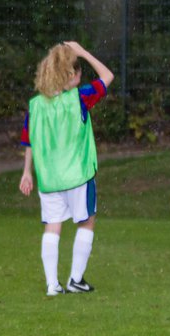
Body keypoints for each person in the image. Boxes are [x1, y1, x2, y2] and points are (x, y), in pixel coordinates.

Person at [19, 41, 113, 296]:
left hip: (49, 178)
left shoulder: (35, 106)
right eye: (79, 73)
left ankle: (52, 285)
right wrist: (82, 52)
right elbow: (108, 76)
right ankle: (75, 279)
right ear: (71, 75)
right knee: (87, 222)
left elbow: (30, 139)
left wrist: (27, 171)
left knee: (52, 226)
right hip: (77, 175)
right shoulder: (79, 98)